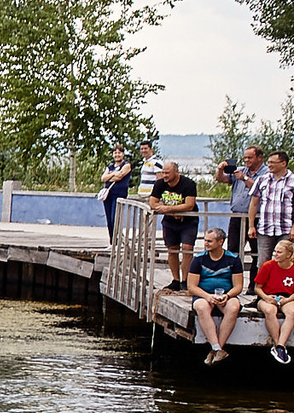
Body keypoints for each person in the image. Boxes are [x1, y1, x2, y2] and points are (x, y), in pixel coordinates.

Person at [186, 228, 246, 364]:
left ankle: (217, 349)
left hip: (226, 295)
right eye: (205, 240)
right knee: (201, 307)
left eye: (209, 241)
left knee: (234, 307)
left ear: (220, 242)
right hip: (203, 295)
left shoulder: (233, 259)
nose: (206, 243)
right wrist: (207, 296)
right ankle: (217, 348)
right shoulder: (198, 259)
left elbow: (238, 286)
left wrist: (227, 296)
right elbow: (191, 286)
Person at [146, 160, 198, 290]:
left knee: (187, 248)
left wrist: (169, 209)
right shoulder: (159, 184)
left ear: (176, 172)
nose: (164, 175)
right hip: (170, 222)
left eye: (167, 173)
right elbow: (153, 203)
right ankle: (176, 279)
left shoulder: (188, 184)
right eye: (163, 172)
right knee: (172, 249)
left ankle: (185, 280)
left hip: (188, 221)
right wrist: (172, 211)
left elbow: (189, 205)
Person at [254, 238, 294, 364]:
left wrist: (287, 300)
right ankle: (277, 345)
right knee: (270, 310)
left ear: (289, 254)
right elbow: (257, 288)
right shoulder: (268, 266)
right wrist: (266, 297)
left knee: (292, 312)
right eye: (275, 251)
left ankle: (281, 345)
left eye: (279, 252)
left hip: (287, 297)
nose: (275, 254)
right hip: (267, 296)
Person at [254, 150, 294, 266]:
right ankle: (262, 279)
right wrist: (251, 225)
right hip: (265, 228)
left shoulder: (292, 180)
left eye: (273, 162)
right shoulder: (262, 179)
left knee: (286, 261)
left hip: (286, 228)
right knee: (263, 263)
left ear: (283, 163)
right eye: (268, 162)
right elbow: (254, 203)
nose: (269, 165)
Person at [224, 145, 264, 255]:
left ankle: (255, 267)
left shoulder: (267, 173)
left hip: (257, 217)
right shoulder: (240, 170)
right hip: (237, 215)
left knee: (256, 251)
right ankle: (233, 267)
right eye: (245, 158)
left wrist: (244, 178)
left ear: (259, 157)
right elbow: (222, 179)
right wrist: (220, 169)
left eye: (250, 158)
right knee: (233, 249)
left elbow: (260, 189)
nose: (246, 160)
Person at [99, 145, 137, 234]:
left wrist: (109, 177)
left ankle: (117, 238)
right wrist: (113, 174)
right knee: (109, 220)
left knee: (114, 218)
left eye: (119, 153)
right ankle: (112, 239)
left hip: (119, 194)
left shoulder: (126, 165)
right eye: (115, 153)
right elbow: (103, 178)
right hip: (108, 195)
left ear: (123, 154)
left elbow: (120, 176)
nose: (117, 155)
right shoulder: (110, 166)